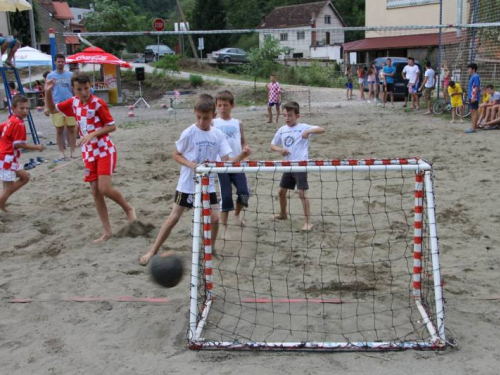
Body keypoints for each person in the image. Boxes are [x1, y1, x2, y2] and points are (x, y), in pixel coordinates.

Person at [139, 94, 251, 266]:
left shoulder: (218, 135)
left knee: (214, 219)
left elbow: (226, 163)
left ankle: (211, 248)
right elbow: (176, 154)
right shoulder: (189, 132)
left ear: (213, 116)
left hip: (208, 185)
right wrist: (191, 164)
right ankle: (153, 250)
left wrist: (242, 155)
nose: (201, 121)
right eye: (198, 117)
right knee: (174, 218)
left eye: (205, 118)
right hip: (187, 185)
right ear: (194, 113)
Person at [45, 72, 136, 243]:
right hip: (88, 153)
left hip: (104, 150)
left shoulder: (98, 103)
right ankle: (107, 231)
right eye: (79, 89)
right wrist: (48, 92)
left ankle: (129, 209)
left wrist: (93, 134)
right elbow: (51, 109)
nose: (84, 92)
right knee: (95, 191)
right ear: (74, 89)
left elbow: (112, 126)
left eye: (86, 88)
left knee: (104, 189)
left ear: (90, 86)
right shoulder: (72, 102)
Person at [270, 101, 325, 232]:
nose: (287, 118)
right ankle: (283, 214)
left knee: (301, 192)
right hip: (288, 166)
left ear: (297, 116)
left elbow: (322, 129)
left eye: (290, 115)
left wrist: (309, 132)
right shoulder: (282, 130)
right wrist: (280, 150)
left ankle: (308, 222)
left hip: (301, 165)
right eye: (285, 115)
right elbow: (272, 145)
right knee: (281, 192)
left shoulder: (303, 127)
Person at [213, 90, 251, 233]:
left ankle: (237, 214)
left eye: (225, 105)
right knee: (226, 196)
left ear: (232, 105)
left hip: (237, 163)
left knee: (244, 192)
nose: (223, 108)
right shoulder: (213, 122)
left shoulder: (238, 123)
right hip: (222, 165)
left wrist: (245, 154)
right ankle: (224, 225)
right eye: (220, 105)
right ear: (216, 106)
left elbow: (242, 142)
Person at [0, 96, 45, 215]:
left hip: (9, 157)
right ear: (13, 108)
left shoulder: (11, 119)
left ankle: (2, 202)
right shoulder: (18, 124)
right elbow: (18, 145)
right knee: (7, 188)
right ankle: (2, 201)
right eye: (22, 108)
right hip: (7, 157)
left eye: (27, 108)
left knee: (25, 177)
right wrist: (37, 147)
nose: (25, 111)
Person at [45, 53, 78, 160]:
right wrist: (46, 107)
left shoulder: (70, 75)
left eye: (62, 61)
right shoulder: (50, 76)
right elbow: (47, 92)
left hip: (69, 105)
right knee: (59, 129)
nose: (60, 63)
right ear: (55, 62)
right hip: (56, 106)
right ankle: (61, 152)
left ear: (65, 62)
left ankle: (72, 151)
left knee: (71, 129)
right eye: (58, 61)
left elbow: (75, 90)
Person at [465, 63, 481, 133]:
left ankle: (473, 128)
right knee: (473, 112)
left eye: (469, 69)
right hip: (471, 96)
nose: (468, 70)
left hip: (473, 97)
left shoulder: (475, 77)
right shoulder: (473, 77)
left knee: (474, 112)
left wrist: (474, 97)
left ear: (473, 69)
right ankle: (473, 126)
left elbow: (476, 87)